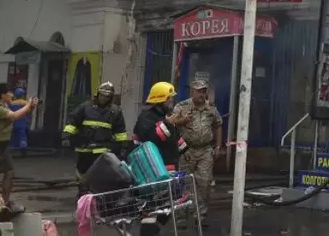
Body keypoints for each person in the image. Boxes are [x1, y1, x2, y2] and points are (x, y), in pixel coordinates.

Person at [133, 82, 189, 236]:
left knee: (168, 206)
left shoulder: (165, 118)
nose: (172, 101)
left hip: (168, 170)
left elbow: (174, 138)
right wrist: (168, 124)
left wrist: (184, 149)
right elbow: (151, 139)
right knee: (152, 209)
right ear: (160, 100)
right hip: (153, 172)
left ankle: (154, 230)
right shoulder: (146, 118)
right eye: (169, 98)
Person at [0, 83, 38, 212]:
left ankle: (4, 203)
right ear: (2, 95)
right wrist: (28, 104)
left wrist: (31, 106)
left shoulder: (4, 105)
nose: (11, 95)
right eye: (9, 92)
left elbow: (19, 113)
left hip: (0, 143)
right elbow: (15, 116)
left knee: (7, 172)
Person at [62, 81, 129, 197]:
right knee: (81, 171)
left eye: (107, 96)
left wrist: (123, 147)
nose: (104, 98)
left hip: (102, 150)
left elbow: (120, 132)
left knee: (99, 174)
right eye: (102, 95)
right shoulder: (85, 107)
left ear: (110, 97)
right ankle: (83, 191)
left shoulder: (115, 111)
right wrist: (66, 136)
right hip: (84, 148)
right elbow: (73, 122)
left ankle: (96, 195)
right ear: (97, 94)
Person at [174, 79, 223, 227]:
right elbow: (172, 126)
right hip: (186, 150)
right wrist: (181, 148)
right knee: (183, 183)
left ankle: (200, 216)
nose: (202, 94)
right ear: (192, 91)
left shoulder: (211, 109)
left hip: (205, 150)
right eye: (199, 91)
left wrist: (218, 146)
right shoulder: (182, 106)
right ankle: (181, 217)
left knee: (205, 183)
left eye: (204, 91)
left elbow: (218, 125)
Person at [8, 88, 30, 154]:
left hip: (13, 122)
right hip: (23, 122)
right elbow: (28, 113)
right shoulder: (26, 103)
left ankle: (11, 149)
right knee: (22, 136)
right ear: (22, 95)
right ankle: (23, 148)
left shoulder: (11, 103)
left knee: (12, 136)